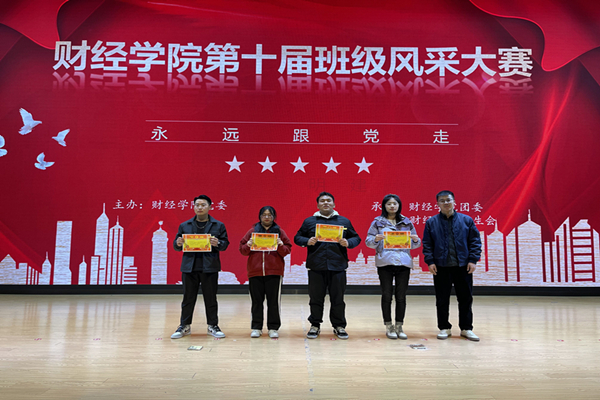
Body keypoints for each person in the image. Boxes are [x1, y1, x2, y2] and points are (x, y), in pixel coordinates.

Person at [294, 192, 361, 340]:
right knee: (315, 298)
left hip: (338, 266)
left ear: (334, 204)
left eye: (328, 200)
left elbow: (356, 238)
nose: (326, 203)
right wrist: (307, 241)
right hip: (316, 266)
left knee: (338, 299)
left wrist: (348, 242)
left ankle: (339, 326)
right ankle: (315, 325)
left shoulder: (344, 221)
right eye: (322, 201)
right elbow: (297, 237)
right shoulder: (309, 221)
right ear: (318, 205)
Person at [422, 190, 482, 341]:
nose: (446, 203)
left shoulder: (466, 220)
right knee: (442, 299)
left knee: (465, 298)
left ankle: (466, 328)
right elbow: (427, 244)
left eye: (448, 200)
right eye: (442, 201)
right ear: (437, 204)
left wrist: (473, 260)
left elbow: (475, 241)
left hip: (463, 266)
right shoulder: (431, 222)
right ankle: (444, 327)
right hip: (441, 266)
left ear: (454, 202)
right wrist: (430, 261)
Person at [171, 195, 230, 339]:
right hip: (189, 267)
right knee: (188, 298)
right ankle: (184, 326)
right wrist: (178, 243)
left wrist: (218, 243)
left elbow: (225, 244)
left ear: (210, 207)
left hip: (209, 267)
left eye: (203, 205)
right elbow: (176, 244)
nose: (200, 207)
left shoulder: (218, 225)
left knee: (210, 298)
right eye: (197, 205)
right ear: (193, 207)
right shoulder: (185, 225)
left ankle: (213, 326)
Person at [365, 194, 421, 340]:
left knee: (401, 296)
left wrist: (416, 240)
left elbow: (415, 243)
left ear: (399, 205)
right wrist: (375, 239)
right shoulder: (377, 222)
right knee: (387, 295)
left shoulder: (407, 222)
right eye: (389, 203)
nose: (392, 206)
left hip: (403, 263)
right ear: (384, 205)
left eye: (395, 203)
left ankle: (399, 326)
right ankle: (389, 326)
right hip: (385, 262)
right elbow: (368, 241)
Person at [239, 206, 292, 339]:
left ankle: (273, 328)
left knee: (273, 302)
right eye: (264, 215)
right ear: (260, 217)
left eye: (270, 215)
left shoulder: (279, 231)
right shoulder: (252, 231)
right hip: (255, 272)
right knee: (256, 301)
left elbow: (287, 250)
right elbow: (242, 250)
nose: (267, 217)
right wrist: (248, 245)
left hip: (274, 272)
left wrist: (280, 245)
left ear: (274, 217)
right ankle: (256, 327)